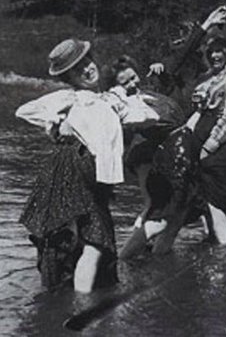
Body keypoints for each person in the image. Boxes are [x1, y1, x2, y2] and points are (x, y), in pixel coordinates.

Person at [15, 38, 156, 293]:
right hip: (71, 167)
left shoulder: (110, 99)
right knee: (92, 241)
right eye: (78, 69)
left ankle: (70, 300)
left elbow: (149, 117)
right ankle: (79, 304)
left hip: (90, 172)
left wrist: (128, 102)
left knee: (88, 240)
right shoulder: (71, 97)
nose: (87, 69)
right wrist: (54, 120)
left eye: (88, 62)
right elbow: (25, 111)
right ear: (70, 76)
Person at [120, 7, 226, 259]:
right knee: (166, 211)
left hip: (206, 153)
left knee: (185, 213)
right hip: (181, 153)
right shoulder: (193, 80)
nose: (215, 55)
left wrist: (207, 149)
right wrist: (206, 25)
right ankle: (133, 259)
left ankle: (212, 261)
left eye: (220, 50)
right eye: (210, 51)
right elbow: (180, 60)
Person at [103, 55, 185, 226]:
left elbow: (170, 89)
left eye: (133, 77)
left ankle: (148, 245)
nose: (132, 84)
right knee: (151, 203)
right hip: (143, 156)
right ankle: (135, 242)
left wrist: (161, 72)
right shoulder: (121, 104)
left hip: (166, 153)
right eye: (125, 83)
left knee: (169, 203)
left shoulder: (147, 92)